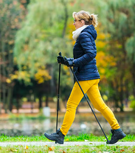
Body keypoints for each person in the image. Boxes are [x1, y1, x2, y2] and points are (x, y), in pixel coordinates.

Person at [44, 10, 126, 144]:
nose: (73, 23)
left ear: (82, 22)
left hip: (86, 76)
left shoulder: (84, 35)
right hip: (91, 75)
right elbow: (84, 55)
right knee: (100, 105)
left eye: (75, 20)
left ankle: (61, 135)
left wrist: (73, 62)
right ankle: (117, 130)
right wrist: (67, 61)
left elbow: (90, 54)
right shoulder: (86, 34)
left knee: (71, 105)